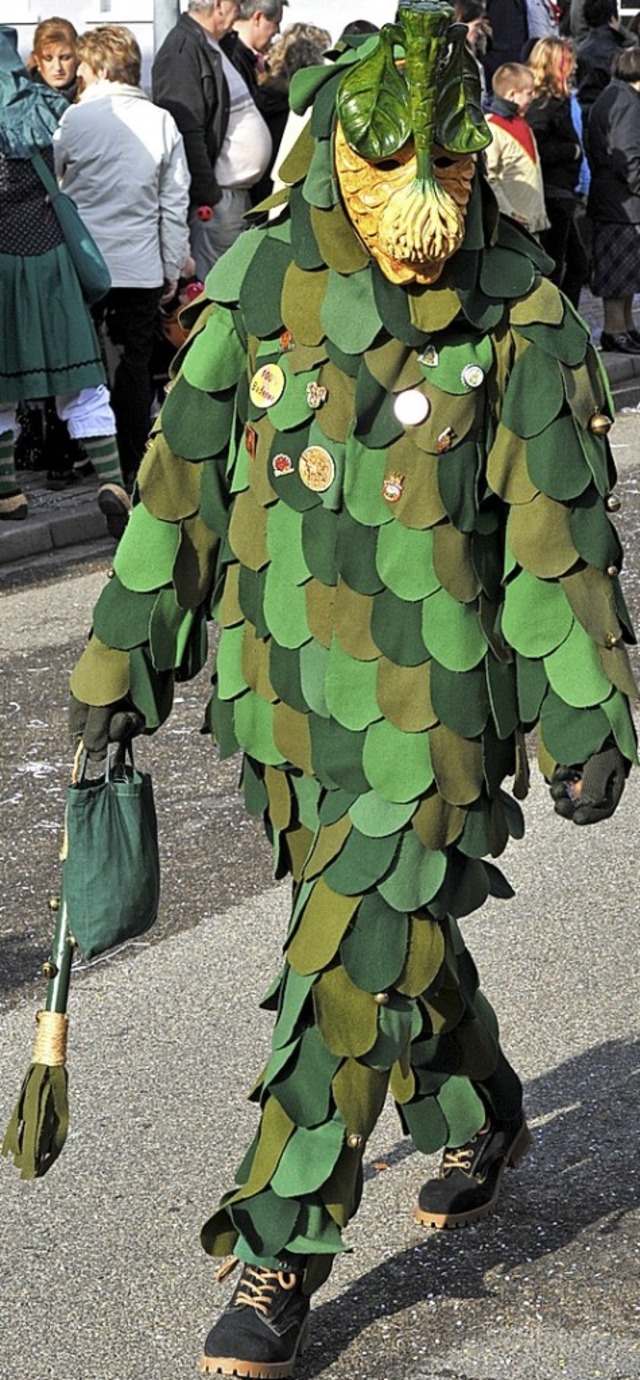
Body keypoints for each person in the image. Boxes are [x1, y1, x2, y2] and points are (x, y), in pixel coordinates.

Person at [68, 4, 637, 1376]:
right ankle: (479, 1106)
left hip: (433, 725)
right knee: (385, 943)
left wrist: (580, 707)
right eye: (398, 174)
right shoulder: (260, 287)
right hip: (286, 701)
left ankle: (277, 1247)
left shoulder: (523, 317)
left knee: (339, 955)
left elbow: (553, 542)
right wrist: (119, 671)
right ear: (336, 162)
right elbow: (180, 498)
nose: (429, 210)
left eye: (451, 171)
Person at [0, 25, 129, 535]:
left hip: (3, 266)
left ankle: (9, 491)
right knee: (82, 380)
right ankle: (113, 480)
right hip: (51, 257)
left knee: (2, 388)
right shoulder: (38, 107)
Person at [54, 25, 191, 487]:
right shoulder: (162, 122)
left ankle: (73, 456)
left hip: (83, 263)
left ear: (97, 68)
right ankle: (130, 464)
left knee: (76, 359)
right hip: (140, 264)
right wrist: (172, 267)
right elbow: (174, 204)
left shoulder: (74, 121)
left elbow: (53, 186)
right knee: (133, 365)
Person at [152, 0, 272, 281]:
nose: (240, 9)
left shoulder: (209, 44)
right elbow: (186, 130)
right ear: (218, 4)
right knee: (217, 288)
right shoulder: (183, 50)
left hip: (232, 196)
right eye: (236, 3)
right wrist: (210, 196)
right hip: (217, 202)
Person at [526, 36, 588, 305]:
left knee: (576, 264)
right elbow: (536, 149)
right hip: (553, 193)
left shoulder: (552, 101)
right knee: (560, 265)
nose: (573, 68)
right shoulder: (544, 104)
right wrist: (571, 152)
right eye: (569, 63)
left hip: (561, 191)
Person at [587, 43, 640, 352]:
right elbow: (629, 157)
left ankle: (626, 326)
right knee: (618, 272)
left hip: (614, 198)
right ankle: (614, 329)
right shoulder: (627, 102)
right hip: (621, 202)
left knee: (627, 270)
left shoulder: (616, 94)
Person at [222, 0, 285, 206]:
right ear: (258, 18)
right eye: (276, 23)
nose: (277, 31)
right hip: (232, 187)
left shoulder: (243, 58)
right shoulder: (232, 56)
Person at [484, 61, 549, 233]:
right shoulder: (492, 128)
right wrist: (508, 212)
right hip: (512, 223)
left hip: (531, 221)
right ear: (512, 94)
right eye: (529, 93)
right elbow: (490, 177)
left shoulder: (523, 124)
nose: (533, 97)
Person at [576, 0, 637, 127]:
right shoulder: (617, 55)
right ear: (613, 18)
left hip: (585, 115)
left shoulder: (579, 50)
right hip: (612, 119)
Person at [26, 15, 79, 102]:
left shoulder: (92, 95)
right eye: (48, 59)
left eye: (64, 58)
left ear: (77, 57)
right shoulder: (24, 98)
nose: (58, 67)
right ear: (37, 60)